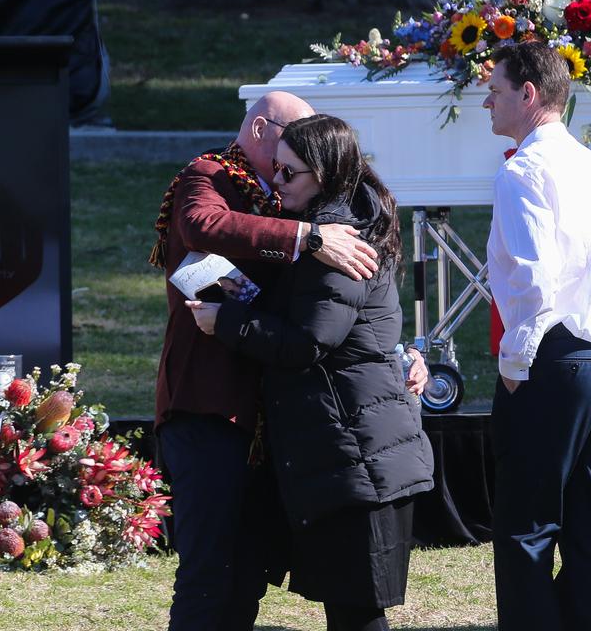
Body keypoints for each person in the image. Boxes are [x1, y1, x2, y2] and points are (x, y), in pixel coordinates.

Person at [149, 91, 427, 631]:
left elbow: (337, 309)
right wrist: (307, 237)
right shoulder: (208, 174)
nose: (284, 173)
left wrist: (394, 352)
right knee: (211, 569)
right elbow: (202, 227)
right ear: (261, 130)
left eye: (298, 161)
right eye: (288, 146)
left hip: (275, 418)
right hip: (212, 406)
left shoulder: (315, 207)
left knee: (249, 567)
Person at [482, 40, 591, 631]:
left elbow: (534, 278)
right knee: (590, 525)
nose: (486, 103)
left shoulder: (524, 169)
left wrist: (516, 361)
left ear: (529, 95)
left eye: (495, 91)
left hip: (561, 359)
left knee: (526, 525)